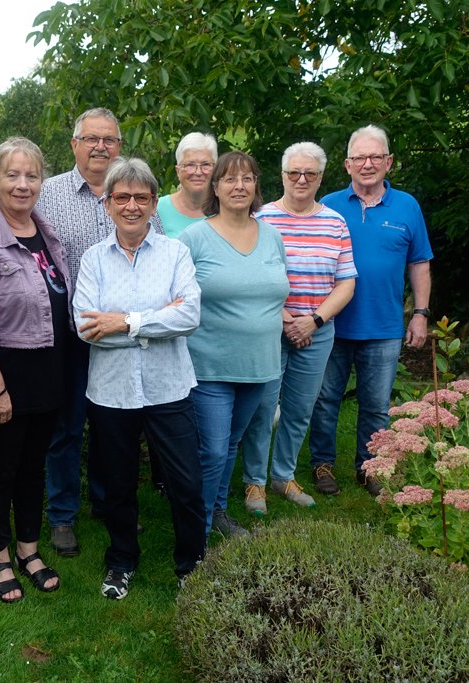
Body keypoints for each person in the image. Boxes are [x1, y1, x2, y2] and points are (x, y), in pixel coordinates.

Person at [74, 157, 205, 600]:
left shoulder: (176, 253)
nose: (132, 206)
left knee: (186, 483)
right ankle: (121, 561)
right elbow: (87, 327)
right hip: (111, 393)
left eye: (141, 198)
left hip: (170, 387)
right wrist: (154, 323)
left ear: (153, 203)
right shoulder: (93, 260)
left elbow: (189, 315)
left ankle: (192, 564)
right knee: (118, 486)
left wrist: (126, 323)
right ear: (107, 204)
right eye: (122, 197)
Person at [0, 137, 69, 603]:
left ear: (41, 181)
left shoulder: (47, 233)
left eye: (32, 176)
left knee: (32, 467)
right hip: (4, 375)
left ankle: (29, 548)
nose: (23, 185)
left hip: (47, 372)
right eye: (13, 175)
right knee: (0, 472)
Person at [309, 124, 433, 496]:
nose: (368, 164)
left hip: (383, 327)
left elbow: (420, 263)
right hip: (331, 323)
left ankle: (369, 467)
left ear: (389, 162)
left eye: (376, 156)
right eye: (360, 157)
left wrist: (420, 313)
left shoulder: (408, 206)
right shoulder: (326, 205)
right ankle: (321, 464)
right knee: (325, 399)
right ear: (347, 165)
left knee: (376, 405)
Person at [243, 142, 356, 510]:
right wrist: (281, 316)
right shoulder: (261, 218)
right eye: (294, 172)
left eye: (310, 173)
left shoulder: (335, 221)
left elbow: (346, 282)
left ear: (321, 177)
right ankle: (254, 482)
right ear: (282, 175)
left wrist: (315, 320)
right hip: (269, 330)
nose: (301, 179)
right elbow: (250, 275)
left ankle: (283, 477)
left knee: (299, 409)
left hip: (317, 331)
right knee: (262, 408)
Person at [179, 151, 290, 528]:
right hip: (210, 364)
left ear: (257, 185)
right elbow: (175, 297)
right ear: (215, 187)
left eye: (247, 178)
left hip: (260, 365)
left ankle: (217, 510)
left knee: (230, 445)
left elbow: (273, 291)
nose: (239, 186)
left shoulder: (273, 237)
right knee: (211, 449)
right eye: (229, 179)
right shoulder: (195, 238)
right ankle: (200, 529)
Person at [35, 107, 120, 557]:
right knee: (66, 429)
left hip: (120, 338)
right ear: (75, 145)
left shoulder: (131, 190)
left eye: (108, 139)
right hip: (66, 335)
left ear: (119, 147)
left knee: (113, 426)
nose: (100, 147)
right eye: (91, 139)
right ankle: (62, 516)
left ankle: (108, 505)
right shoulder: (47, 195)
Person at [156, 132, 218, 239]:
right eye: (190, 165)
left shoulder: (226, 209)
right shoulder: (157, 210)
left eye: (206, 165)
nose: (198, 172)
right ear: (178, 171)